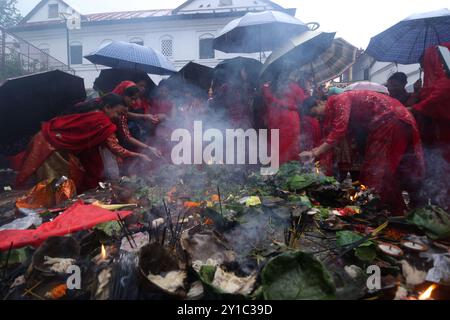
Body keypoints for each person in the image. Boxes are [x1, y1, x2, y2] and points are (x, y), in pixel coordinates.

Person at [299, 91, 425, 215]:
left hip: (391, 120)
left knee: (378, 170)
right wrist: (315, 151)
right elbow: (332, 135)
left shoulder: (339, 100)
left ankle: (383, 209)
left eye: (315, 114)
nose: (317, 118)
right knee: (392, 168)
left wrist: (316, 153)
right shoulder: (334, 107)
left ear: (319, 102)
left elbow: (339, 130)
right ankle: (396, 209)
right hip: (392, 121)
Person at [16, 94, 153, 192]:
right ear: (107, 107)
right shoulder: (102, 121)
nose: (118, 118)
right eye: (117, 113)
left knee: (63, 181)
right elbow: (115, 148)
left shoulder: (96, 114)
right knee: (56, 184)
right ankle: (52, 214)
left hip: (51, 141)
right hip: (51, 147)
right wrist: (139, 156)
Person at [410, 43, 450, 209]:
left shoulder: (445, 76)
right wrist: (419, 92)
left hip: (443, 134)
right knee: (433, 173)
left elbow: (440, 94)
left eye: (424, 64)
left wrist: (414, 107)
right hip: (433, 136)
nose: (424, 68)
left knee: (442, 173)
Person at [262, 74, 306, 164]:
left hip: (275, 118)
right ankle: (290, 171)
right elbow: (302, 100)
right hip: (290, 119)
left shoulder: (268, 87)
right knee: (290, 149)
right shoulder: (293, 86)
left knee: (276, 148)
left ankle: (276, 172)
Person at [111, 81, 161, 157]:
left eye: (135, 99)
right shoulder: (114, 109)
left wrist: (145, 116)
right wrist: (148, 148)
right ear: (123, 95)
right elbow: (127, 137)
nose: (134, 102)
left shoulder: (120, 108)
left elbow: (126, 114)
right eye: (132, 99)